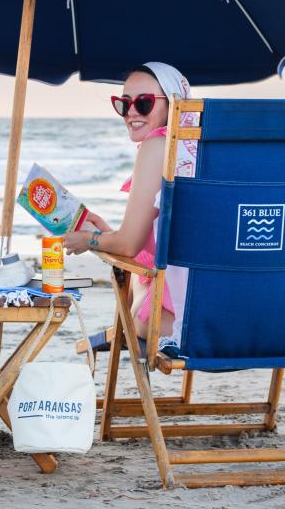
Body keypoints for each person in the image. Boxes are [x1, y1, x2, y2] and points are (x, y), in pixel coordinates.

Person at [63, 62, 198, 354]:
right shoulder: (206, 149)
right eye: (123, 104)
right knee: (142, 269)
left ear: (174, 103)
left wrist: (88, 240)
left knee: (138, 281)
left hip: (186, 328)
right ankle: (116, 332)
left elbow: (128, 245)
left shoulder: (157, 147)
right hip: (243, 319)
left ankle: (118, 333)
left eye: (144, 103)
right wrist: (111, 234)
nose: (132, 113)